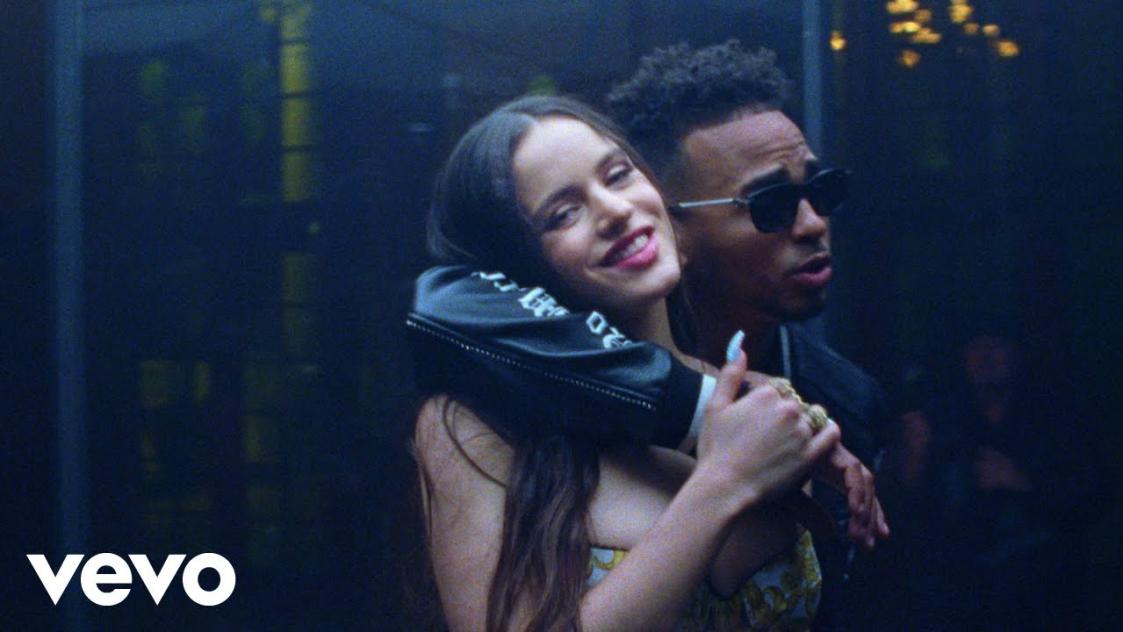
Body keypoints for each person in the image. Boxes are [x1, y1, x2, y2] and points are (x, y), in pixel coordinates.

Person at [411, 95, 847, 631]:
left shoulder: (750, 400)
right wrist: (723, 484)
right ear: (513, 269)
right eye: (563, 214)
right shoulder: (472, 427)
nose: (615, 210)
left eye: (618, 175)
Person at [604, 41, 890, 629]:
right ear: (668, 225)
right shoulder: (582, 386)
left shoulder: (847, 404)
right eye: (771, 204)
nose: (813, 223)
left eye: (821, 191)